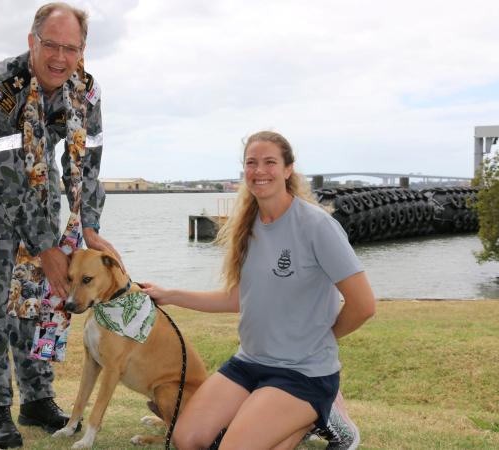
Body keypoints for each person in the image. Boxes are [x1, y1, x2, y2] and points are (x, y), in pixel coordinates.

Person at [142, 131, 376, 450]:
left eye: (270, 162)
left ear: (288, 169)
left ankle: (319, 415)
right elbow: (237, 298)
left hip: (303, 372)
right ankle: (294, 422)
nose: (259, 170)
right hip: (250, 362)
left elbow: (363, 305)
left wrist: (321, 337)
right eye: (251, 163)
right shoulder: (247, 226)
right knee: (186, 439)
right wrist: (169, 295)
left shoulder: (316, 226)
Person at [0, 3, 120, 448]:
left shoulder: (86, 90)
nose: (59, 57)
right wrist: (46, 246)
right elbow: (7, 175)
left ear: (82, 50)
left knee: (38, 298)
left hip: (41, 194)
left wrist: (88, 225)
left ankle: (36, 399)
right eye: (51, 44)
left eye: (71, 48)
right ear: (32, 41)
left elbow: (85, 165)